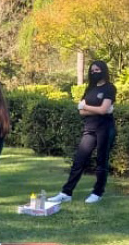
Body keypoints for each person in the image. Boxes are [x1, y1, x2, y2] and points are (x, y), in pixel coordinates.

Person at [49, 60, 116, 204]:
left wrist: (87, 106)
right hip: (89, 129)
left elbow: (103, 110)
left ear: (103, 70)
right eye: (92, 70)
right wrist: (95, 109)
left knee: (101, 161)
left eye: (97, 70)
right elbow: (81, 111)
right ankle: (66, 193)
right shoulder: (90, 88)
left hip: (105, 128)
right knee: (79, 161)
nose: (94, 72)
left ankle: (97, 193)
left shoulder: (109, 88)